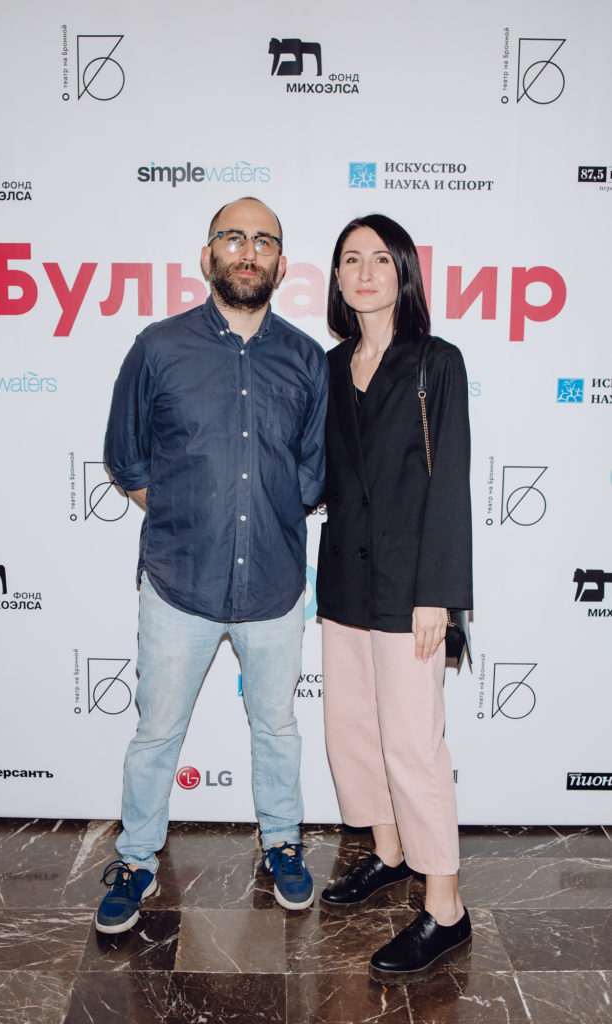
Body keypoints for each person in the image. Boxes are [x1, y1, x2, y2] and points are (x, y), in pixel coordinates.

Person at [96, 197, 328, 933]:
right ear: (208, 255)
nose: (248, 250)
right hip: (179, 583)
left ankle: (282, 844)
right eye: (233, 237)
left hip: (274, 585)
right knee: (156, 733)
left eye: (264, 241)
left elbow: (312, 475)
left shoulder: (306, 359)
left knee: (278, 729)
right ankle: (136, 859)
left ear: (281, 265)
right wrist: (186, 517)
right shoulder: (158, 348)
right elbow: (126, 457)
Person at [315, 214, 473, 985]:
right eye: (351, 259)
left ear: (403, 273)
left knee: (413, 744)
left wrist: (439, 594)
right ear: (337, 278)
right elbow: (316, 476)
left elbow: (451, 481)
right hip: (344, 579)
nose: (365, 271)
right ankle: (388, 852)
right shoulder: (328, 366)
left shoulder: (435, 363)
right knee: (353, 732)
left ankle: (446, 907)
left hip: (411, 587)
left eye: (381, 258)